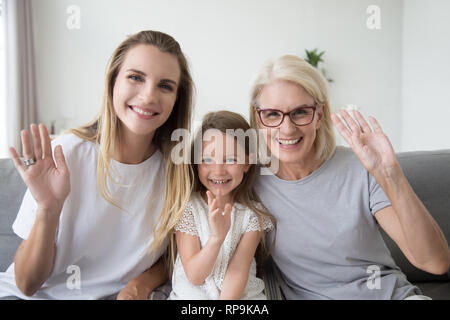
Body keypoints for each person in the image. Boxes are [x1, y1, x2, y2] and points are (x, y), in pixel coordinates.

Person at [0, 30, 194, 300]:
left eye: (165, 85)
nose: (149, 96)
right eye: (135, 77)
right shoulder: (66, 154)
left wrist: (142, 283)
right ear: (113, 82)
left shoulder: (177, 172)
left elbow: (180, 252)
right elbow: (26, 284)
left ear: (177, 100)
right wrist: (48, 209)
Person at [249, 55, 450, 300]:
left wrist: (391, 174)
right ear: (258, 118)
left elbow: (434, 262)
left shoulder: (360, 167)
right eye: (272, 114)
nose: (287, 128)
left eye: (301, 112)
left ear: (320, 115)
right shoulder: (249, 181)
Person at [167, 111, 275, 300]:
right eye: (207, 160)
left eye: (231, 159)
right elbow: (195, 275)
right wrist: (217, 237)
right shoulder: (188, 208)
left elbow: (237, 273)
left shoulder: (252, 215)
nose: (218, 170)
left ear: (247, 164)